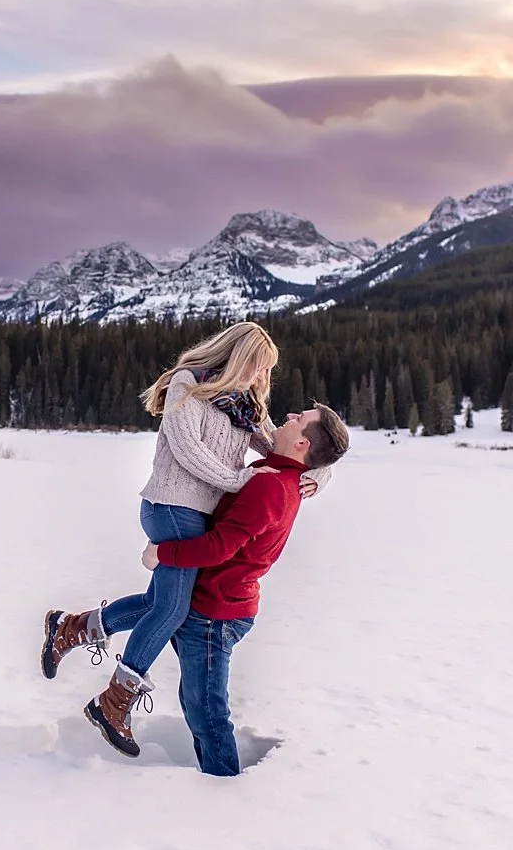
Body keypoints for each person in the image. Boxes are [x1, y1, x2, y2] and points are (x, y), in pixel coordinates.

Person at [40, 321, 329, 753]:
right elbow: (187, 450)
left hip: (198, 515)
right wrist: (242, 481)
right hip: (171, 506)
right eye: (256, 367)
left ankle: (73, 628)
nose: (259, 379)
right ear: (236, 356)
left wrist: (320, 475)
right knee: (173, 608)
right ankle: (114, 701)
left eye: (264, 372)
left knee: (160, 604)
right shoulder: (188, 385)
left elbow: (288, 447)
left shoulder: (244, 404)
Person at [146, 403, 350, 776]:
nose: (289, 417)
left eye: (298, 420)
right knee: (196, 703)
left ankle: (225, 791)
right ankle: (84, 625)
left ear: (303, 443)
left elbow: (218, 547)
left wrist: (162, 552)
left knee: (207, 713)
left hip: (215, 614)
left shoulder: (270, 485)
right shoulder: (274, 473)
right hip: (216, 606)